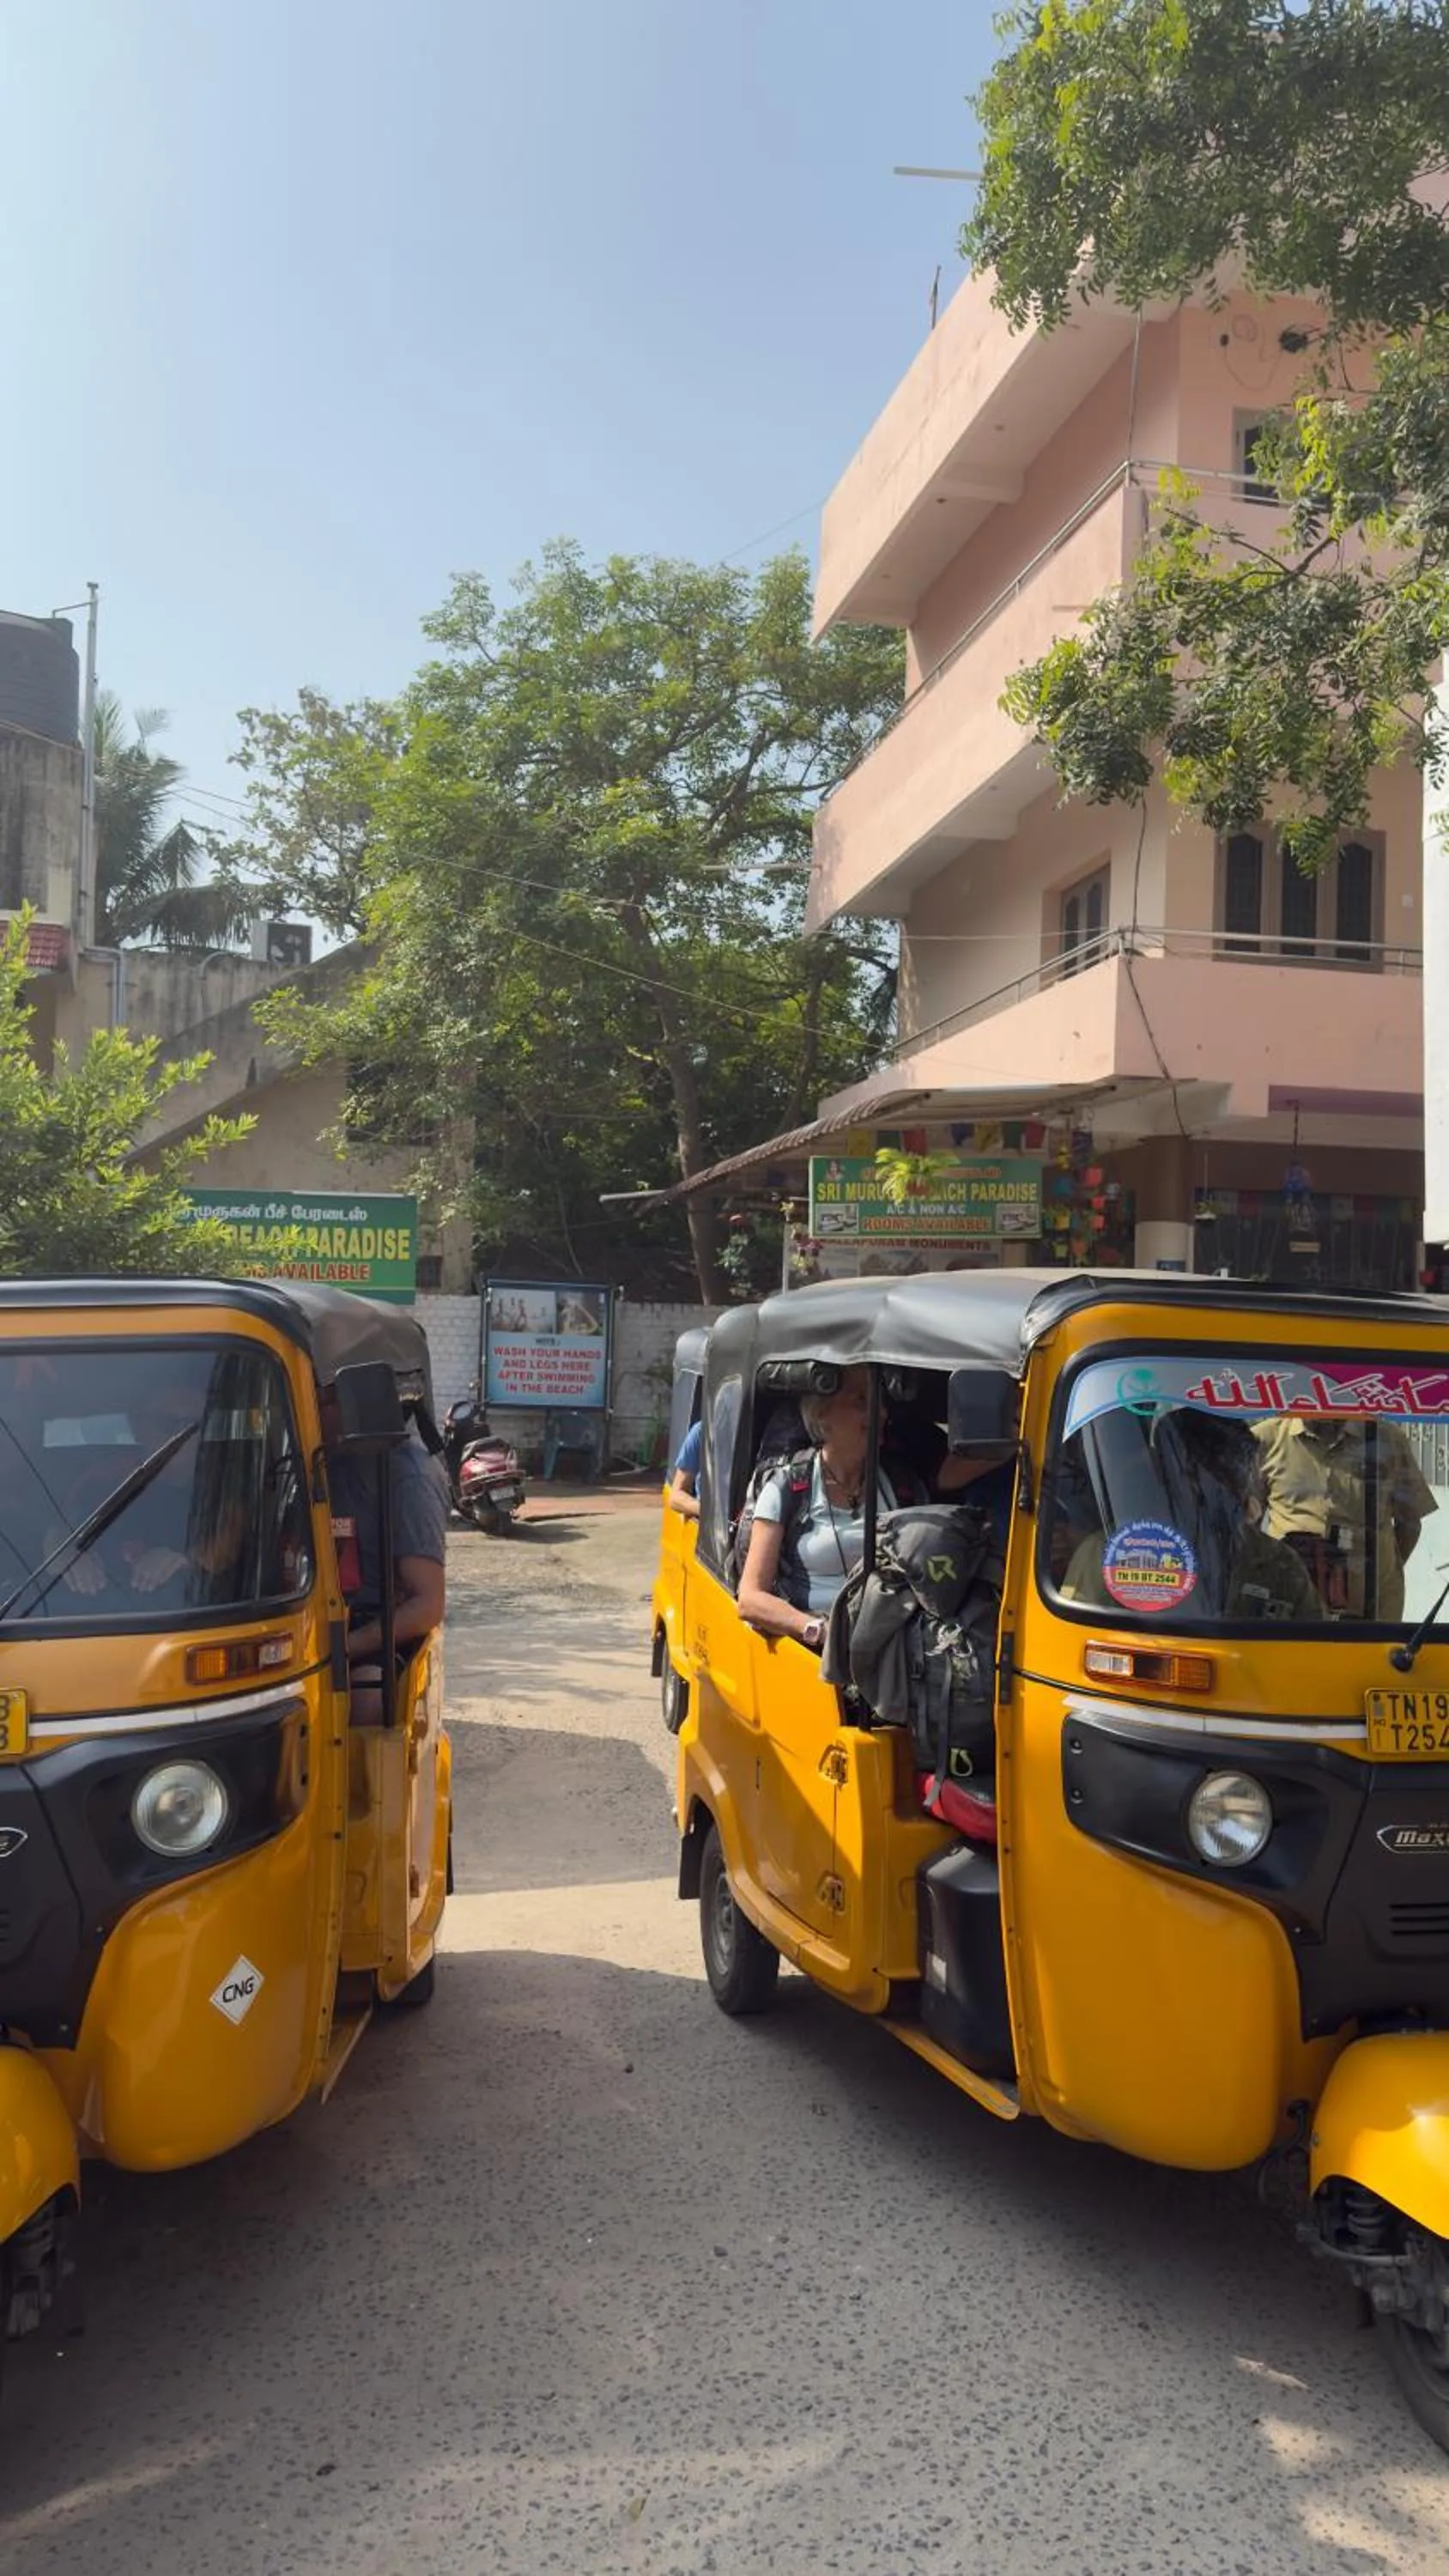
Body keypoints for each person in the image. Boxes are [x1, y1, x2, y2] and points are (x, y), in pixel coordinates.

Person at [1059, 1410, 1319, 1622]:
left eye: (1232, 1473)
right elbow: (1071, 1641)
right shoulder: (1112, 1555)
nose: (1214, 1489)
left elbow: (1315, 1653)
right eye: (1198, 1475)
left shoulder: (1278, 1566)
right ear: (1164, 1476)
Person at [738, 1365, 919, 1652]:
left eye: (880, 1401)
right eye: (861, 1400)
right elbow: (749, 1599)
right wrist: (816, 1631)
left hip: (888, 1646)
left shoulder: (899, 1485)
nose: (880, 1412)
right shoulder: (787, 1486)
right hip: (814, 1653)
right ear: (822, 1414)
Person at [1252, 1412, 1435, 1622]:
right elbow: (1248, 1527)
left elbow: (1409, 1523)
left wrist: (1375, 1572)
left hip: (1373, 1609)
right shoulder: (1265, 1439)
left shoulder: (1386, 1439)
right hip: (1290, 1606)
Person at [324, 1410, 449, 1719]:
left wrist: (343, 1647)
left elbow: (427, 1605)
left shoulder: (409, 1475)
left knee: (367, 1701)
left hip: (371, 1632)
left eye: (321, 1397)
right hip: (308, 1623)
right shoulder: (313, 1460)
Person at [668, 1416, 702, 1521]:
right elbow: (675, 1497)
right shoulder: (701, 1432)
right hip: (710, 1529)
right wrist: (707, 1511)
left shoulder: (751, 1434)